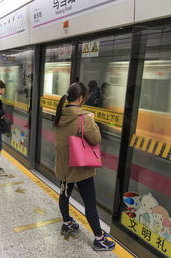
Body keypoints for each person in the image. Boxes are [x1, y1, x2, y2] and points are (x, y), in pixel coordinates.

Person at [54, 82, 115, 251]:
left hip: (64, 165)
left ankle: (67, 223)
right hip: (80, 167)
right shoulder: (84, 117)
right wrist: (92, 121)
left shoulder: (60, 113)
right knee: (89, 202)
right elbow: (96, 139)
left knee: (64, 194)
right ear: (81, 98)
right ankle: (99, 238)